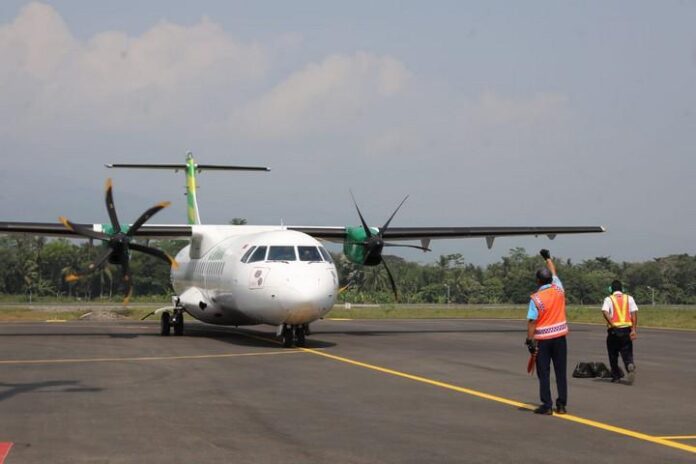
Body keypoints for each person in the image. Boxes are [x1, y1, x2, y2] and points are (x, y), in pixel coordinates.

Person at [525, 249, 568, 415]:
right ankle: (562, 404)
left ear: (538, 281)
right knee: (560, 372)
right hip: (560, 337)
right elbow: (554, 272)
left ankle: (547, 405)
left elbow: (532, 322)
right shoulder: (558, 289)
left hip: (543, 340)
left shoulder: (536, 298)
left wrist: (530, 341)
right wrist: (548, 258)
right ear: (550, 279)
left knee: (544, 373)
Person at [601, 280, 638, 384]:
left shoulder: (608, 299)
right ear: (622, 289)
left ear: (610, 289)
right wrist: (634, 330)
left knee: (613, 354)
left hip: (614, 331)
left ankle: (616, 376)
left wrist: (612, 324)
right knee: (627, 352)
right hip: (627, 330)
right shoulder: (629, 298)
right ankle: (629, 364)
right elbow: (634, 315)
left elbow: (604, 311)